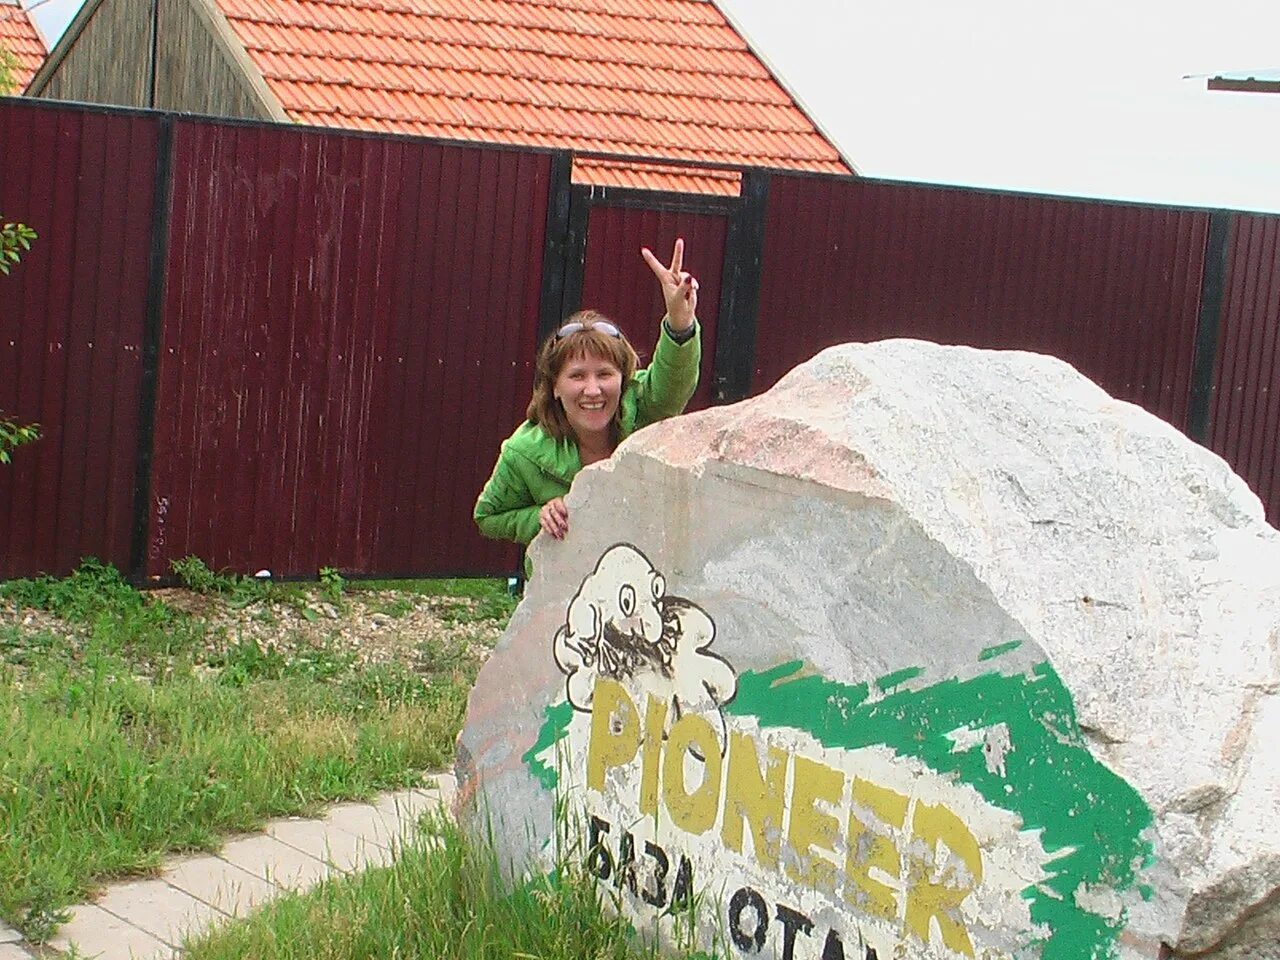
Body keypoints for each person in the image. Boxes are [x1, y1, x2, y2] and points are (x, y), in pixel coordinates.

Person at [474, 238, 701, 545]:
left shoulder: (646, 407)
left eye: (605, 374)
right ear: (554, 385)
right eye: (577, 376)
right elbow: (488, 517)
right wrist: (540, 516)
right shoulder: (523, 452)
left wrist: (680, 322)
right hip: (567, 590)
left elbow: (674, 382)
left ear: (623, 379)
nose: (592, 390)